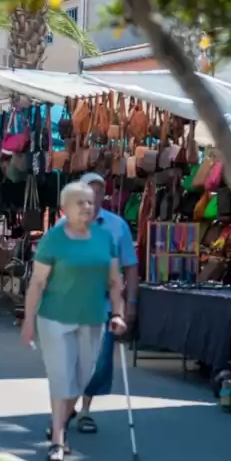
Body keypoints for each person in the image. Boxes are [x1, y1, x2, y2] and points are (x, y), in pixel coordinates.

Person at [21, 181, 127, 461]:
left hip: (93, 318)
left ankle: (59, 422)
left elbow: (115, 281)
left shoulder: (105, 238)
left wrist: (118, 312)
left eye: (90, 202)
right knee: (61, 377)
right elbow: (38, 283)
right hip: (55, 317)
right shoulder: (54, 239)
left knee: (81, 380)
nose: (87, 207)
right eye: (80, 202)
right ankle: (58, 440)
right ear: (65, 208)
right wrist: (28, 321)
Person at [64, 173, 139, 434]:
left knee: (100, 363)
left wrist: (131, 303)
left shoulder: (117, 226)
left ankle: (84, 410)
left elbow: (131, 266)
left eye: (98, 192)